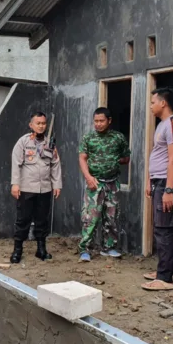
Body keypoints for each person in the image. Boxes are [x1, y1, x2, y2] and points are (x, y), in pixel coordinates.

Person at [142, 87, 173, 291]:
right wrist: (150, 181)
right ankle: (168, 271)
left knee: (163, 229)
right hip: (158, 182)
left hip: (167, 184)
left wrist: (169, 190)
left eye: (153, 102)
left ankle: (165, 279)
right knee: (162, 227)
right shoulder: (162, 125)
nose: (151, 106)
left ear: (163, 103)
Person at [78, 107, 130, 262]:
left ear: (109, 121)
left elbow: (126, 158)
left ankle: (109, 247)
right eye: (96, 121)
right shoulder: (88, 138)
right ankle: (85, 249)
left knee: (112, 216)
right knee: (90, 217)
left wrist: (113, 161)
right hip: (95, 182)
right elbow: (82, 158)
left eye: (101, 121)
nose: (98, 124)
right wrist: (88, 177)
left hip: (112, 183)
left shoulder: (118, 138)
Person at [10, 112, 62, 263]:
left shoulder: (50, 143)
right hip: (26, 188)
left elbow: (55, 164)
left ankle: (41, 249)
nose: (41, 126)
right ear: (31, 125)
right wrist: (15, 184)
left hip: (44, 188)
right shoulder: (24, 142)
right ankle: (17, 250)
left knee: (42, 220)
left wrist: (57, 184)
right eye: (38, 123)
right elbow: (16, 163)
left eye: (43, 123)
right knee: (23, 220)